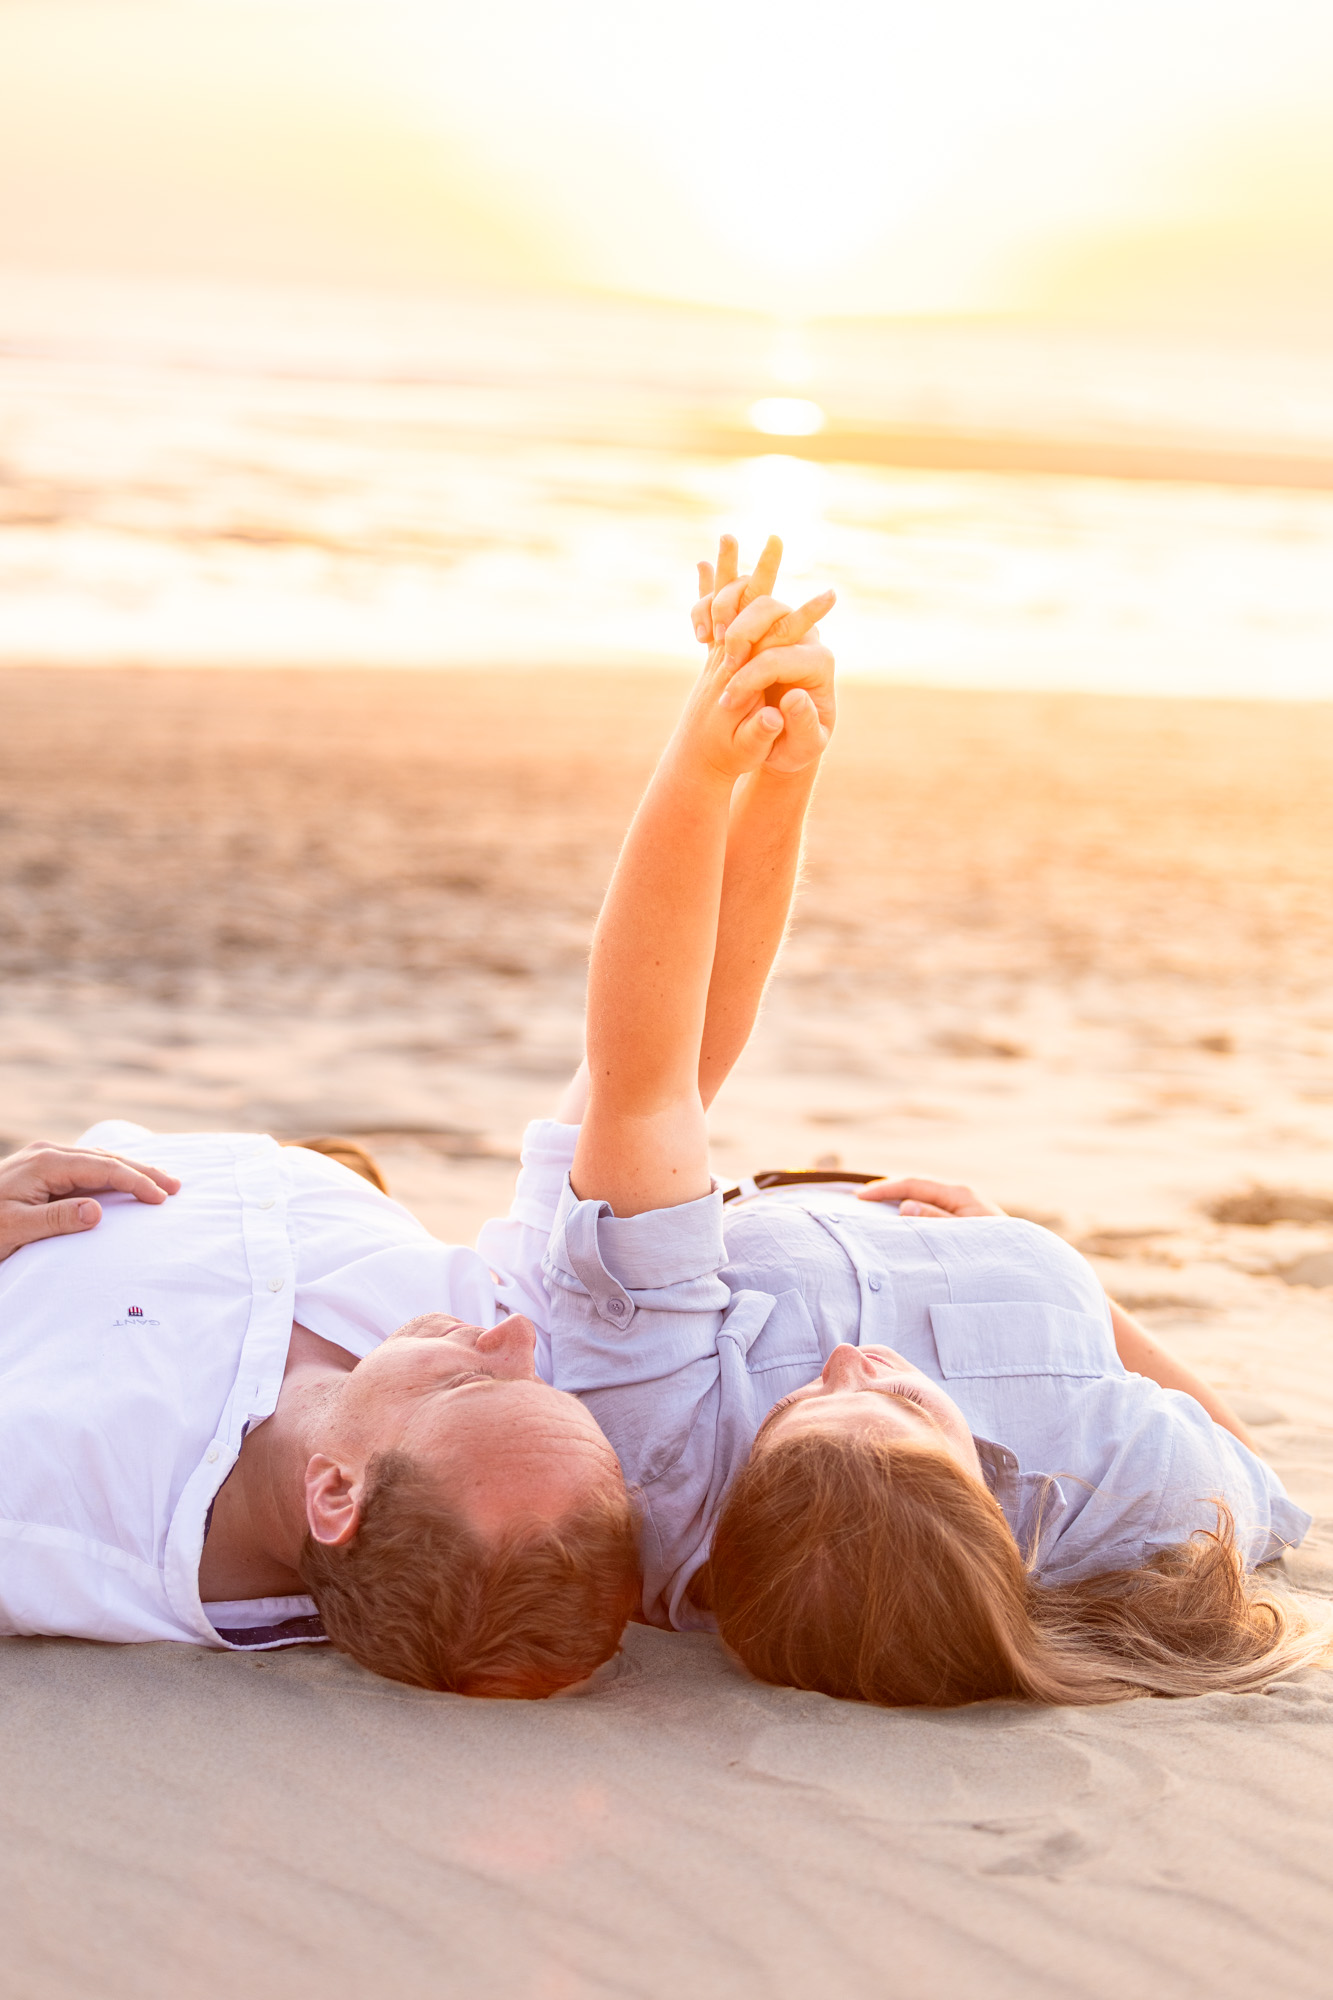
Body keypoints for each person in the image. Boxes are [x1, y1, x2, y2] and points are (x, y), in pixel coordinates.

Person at [0, 535, 830, 1698]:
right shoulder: (497, 1416)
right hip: (314, 1174)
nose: (516, 1339)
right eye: (534, 1379)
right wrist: (772, 769)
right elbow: (658, 1072)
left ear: (334, 1492)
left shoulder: (54, 1513)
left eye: (473, 1382)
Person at [544, 549, 1325, 1708]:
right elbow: (1259, 1479)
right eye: (902, 1402)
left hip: (696, 1204)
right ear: (989, 1518)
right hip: (939, 1226)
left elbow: (654, 1076)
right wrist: (1067, 1280)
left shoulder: (668, 1462)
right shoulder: (1116, 1494)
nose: (850, 1364)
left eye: (801, 1407)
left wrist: (728, 760)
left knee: (650, 1089)